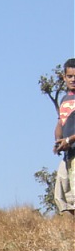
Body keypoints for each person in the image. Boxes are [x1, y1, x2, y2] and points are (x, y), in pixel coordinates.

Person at [53, 58, 75, 216]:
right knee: (61, 195)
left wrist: (69, 140)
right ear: (64, 77)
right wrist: (58, 141)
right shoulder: (65, 99)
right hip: (68, 153)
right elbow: (61, 122)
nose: (73, 79)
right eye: (70, 76)